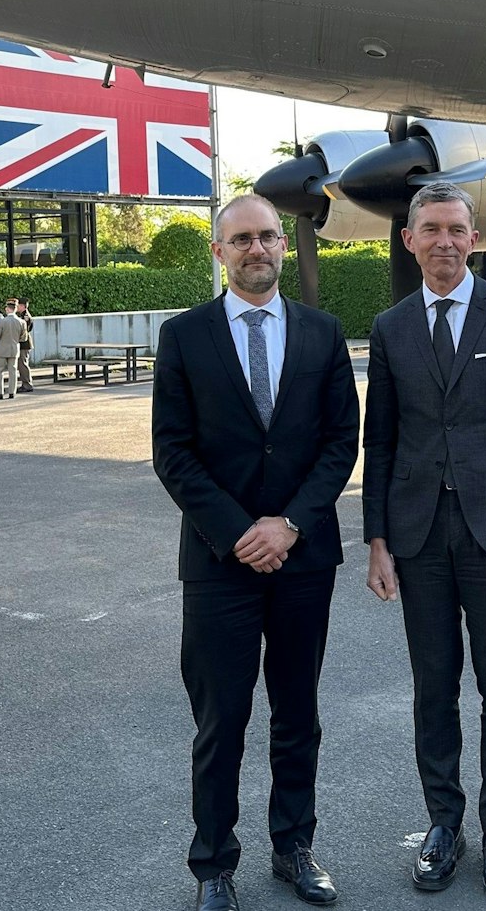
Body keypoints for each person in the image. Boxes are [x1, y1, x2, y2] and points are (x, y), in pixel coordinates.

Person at [151, 194, 360, 911]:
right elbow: (172, 452)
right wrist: (241, 531)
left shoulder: (323, 333)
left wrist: (290, 524)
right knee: (221, 721)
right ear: (220, 251)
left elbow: (340, 441)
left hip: (304, 558)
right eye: (241, 238)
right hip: (220, 561)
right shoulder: (184, 336)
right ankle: (213, 864)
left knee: (297, 713)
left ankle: (294, 846)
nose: (257, 248)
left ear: (283, 245)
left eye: (268, 235)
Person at [361, 181, 486, 900]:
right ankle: (444, 823)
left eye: (456, 228)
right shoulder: (390, 327)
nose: (444, 240)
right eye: (431, 228)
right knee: (433, 687)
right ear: (409, 240)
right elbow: (380, 439)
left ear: (474, 239)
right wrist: (376, 539)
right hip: (416, 533)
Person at [0, 301, 26, 399]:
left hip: (2, 349)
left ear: (7, 309)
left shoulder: (3, 321)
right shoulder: (21, 322)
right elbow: (24, 338)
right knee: (13, 371)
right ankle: (12, 392)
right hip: (14, 349)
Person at [15, 298, 36, 392]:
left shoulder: (25, 316)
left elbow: (24, 330)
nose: (16, 307)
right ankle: (26, 383)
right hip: (23, 343)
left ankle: (27, 384)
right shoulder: (22, 315)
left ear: (22, 306)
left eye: (18, 305)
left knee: (22, 364)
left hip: (24, 343)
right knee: (21, 364)